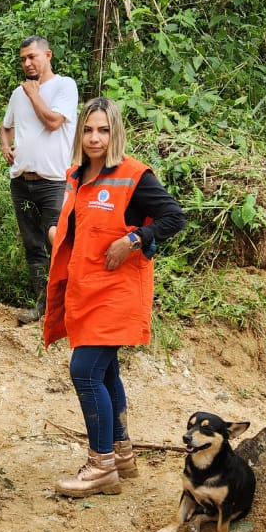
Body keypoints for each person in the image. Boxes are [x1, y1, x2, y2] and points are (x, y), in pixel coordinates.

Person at [42, 96, 185, 498]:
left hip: (117, 294)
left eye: (103, 130)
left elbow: (174, 217)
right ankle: (121, 453)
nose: (95, 137)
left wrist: (135, 238)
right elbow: (74, 223)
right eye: (88, 129)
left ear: (115, 132)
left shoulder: (133, 175)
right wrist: (58, 233)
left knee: (84, 371)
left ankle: (101, 465)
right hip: (86, 292)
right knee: (105, 373)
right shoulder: (75, 176)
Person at [0, 35, 78, 324]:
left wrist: (34, 94)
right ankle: (44, 307)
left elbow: (54, 121)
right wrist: (5, 146)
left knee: (57, 243)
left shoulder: (64, 86)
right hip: (21, 181)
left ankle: (68, 307)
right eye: (23, 59)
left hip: (53, 182)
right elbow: (5, 126)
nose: (27, 63)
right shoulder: (17, 93)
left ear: (48, 55)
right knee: (32, 245)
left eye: (32, 56)